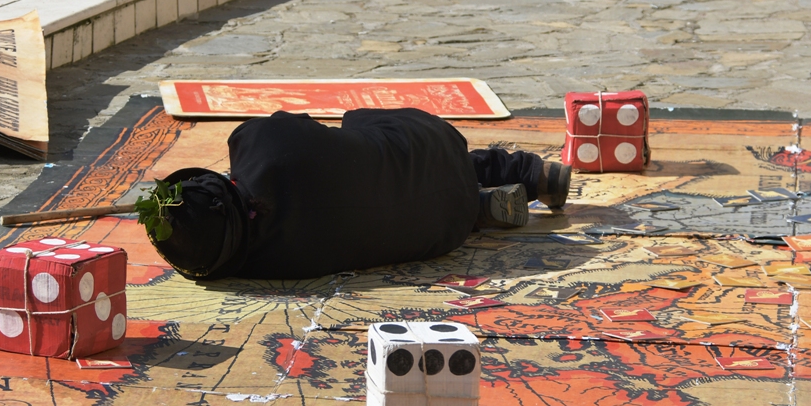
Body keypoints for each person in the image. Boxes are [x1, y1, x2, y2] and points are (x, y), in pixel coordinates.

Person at [141, 108, 571, 280]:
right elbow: (297, 125)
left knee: (377, 202)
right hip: (433, 146)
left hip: (445, 232)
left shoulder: (267, 267)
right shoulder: (260, 142)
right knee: (359, 129)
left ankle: (477, 207)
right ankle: (530, 172)